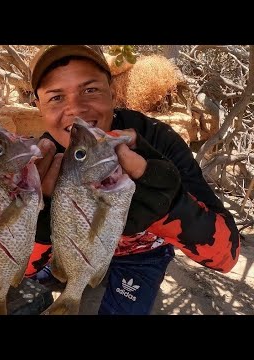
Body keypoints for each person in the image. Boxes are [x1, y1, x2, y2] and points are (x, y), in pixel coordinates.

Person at [22, 45, 240, 315]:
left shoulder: (157, 140)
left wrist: (169, 206)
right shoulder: (40, 160)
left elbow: (226, 258)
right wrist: (38, 224)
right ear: (38, 106)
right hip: (70, 251)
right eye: (56, 97)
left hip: (140, 257)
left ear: (112, 92)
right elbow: (18, 262)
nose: (76, 110)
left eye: (90, 90)